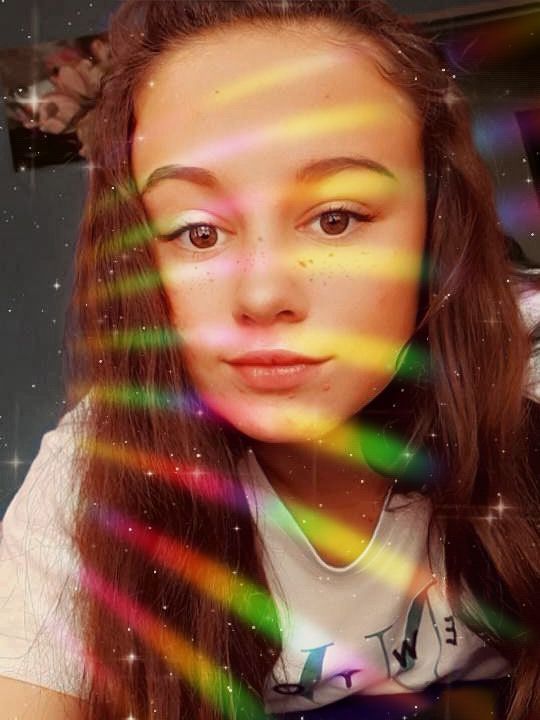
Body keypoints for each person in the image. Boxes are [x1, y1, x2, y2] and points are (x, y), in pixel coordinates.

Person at [1, 1, 539, 719]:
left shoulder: (525, 378)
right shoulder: (99, 472)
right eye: (197, 233)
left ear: (436, 229)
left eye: (335, 218)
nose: (261, 295)